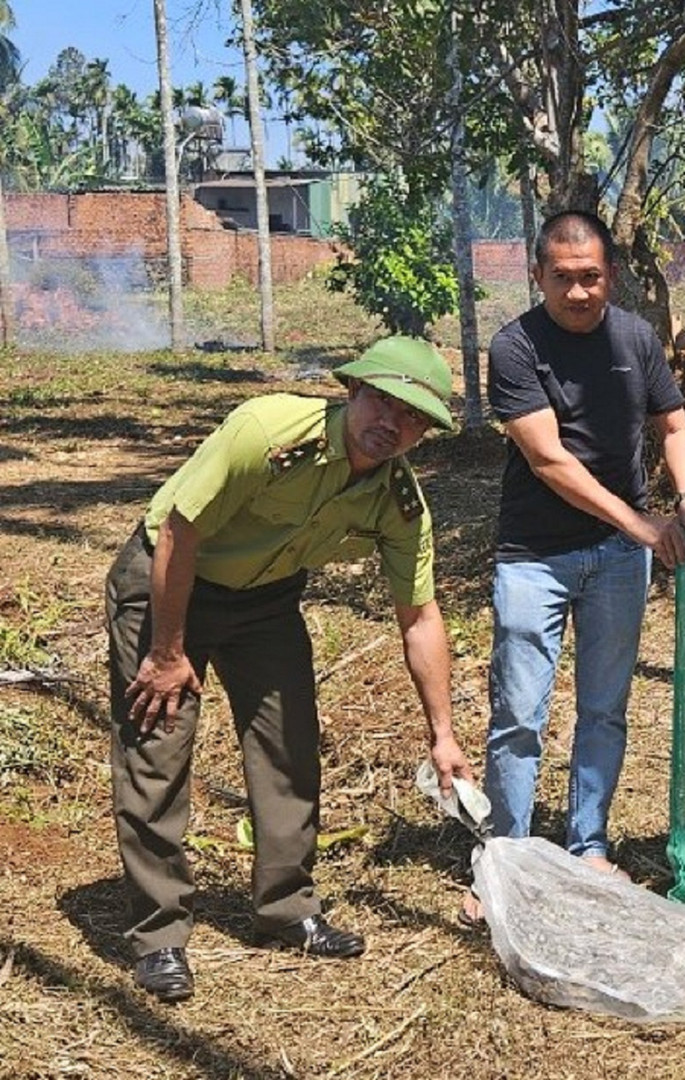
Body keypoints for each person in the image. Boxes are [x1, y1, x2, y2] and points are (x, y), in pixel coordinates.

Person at [106, 336, 474, 1003]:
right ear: (352, 392)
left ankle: (286, 905)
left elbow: (419, 617)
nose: (392, 422)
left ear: (426, 431)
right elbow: (179, 533)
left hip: (265, 601)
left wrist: (443, 734)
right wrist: (166, 652)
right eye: (383, 401)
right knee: (157, 746)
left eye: (413, 415)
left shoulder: (399, 502)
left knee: (288, 743)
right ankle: (160, 935)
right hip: (167, 580)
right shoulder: (267, 430)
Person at [482, 210, 685, 880]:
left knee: (604, 710)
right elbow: (549, 461)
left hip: (617, 563)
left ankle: (588, 847)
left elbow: (673, 426)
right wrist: (641, 525)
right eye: (563, 278)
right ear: (538, 276)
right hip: (534, 557)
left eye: (591, 277)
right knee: (520, 716)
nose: (579, 292)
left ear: (610, 274)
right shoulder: (515, 347)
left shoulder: (636, 338)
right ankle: (508, 859)